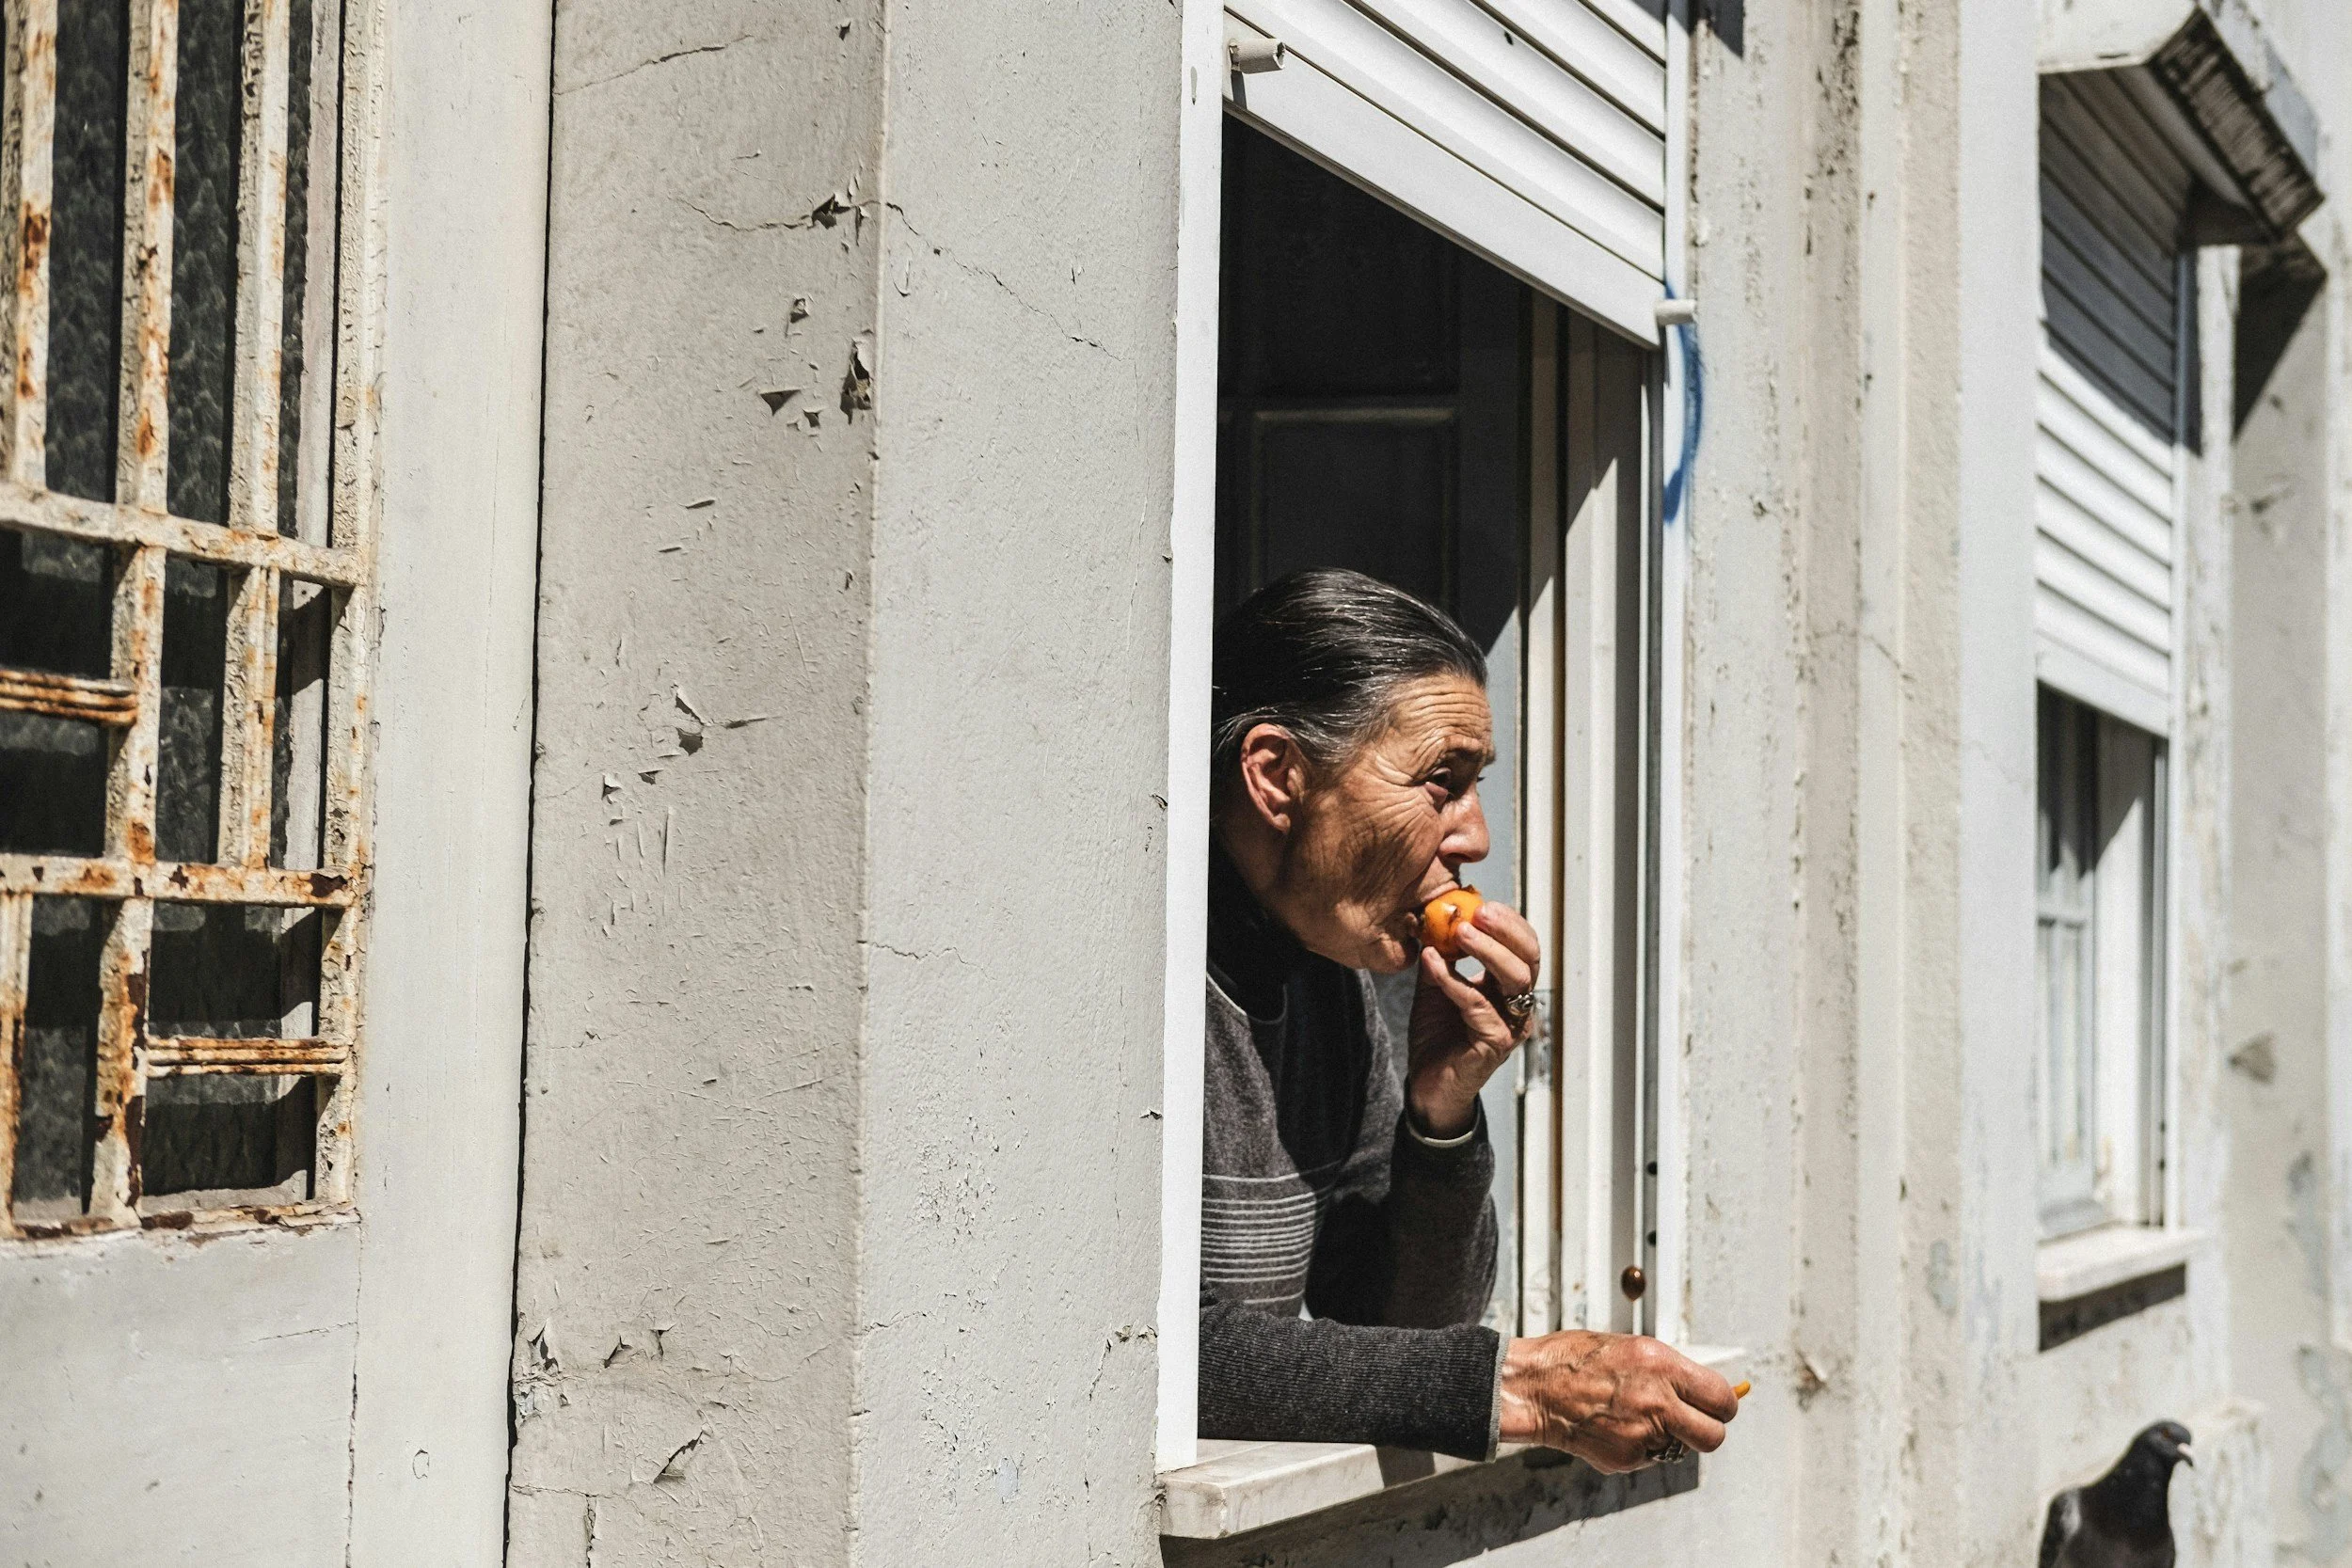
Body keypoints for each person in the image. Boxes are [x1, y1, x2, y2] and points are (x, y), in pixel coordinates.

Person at [1199, 568, 1739, 1471]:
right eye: (1441, 783)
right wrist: (1523, 1386)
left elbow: (1400, 1324)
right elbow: (1145, 1351)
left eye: (1474, 786)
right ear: (1278, 777)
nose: (1476, 836)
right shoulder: (1135, 993)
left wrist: (1441, 1114)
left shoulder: (1328, 971)